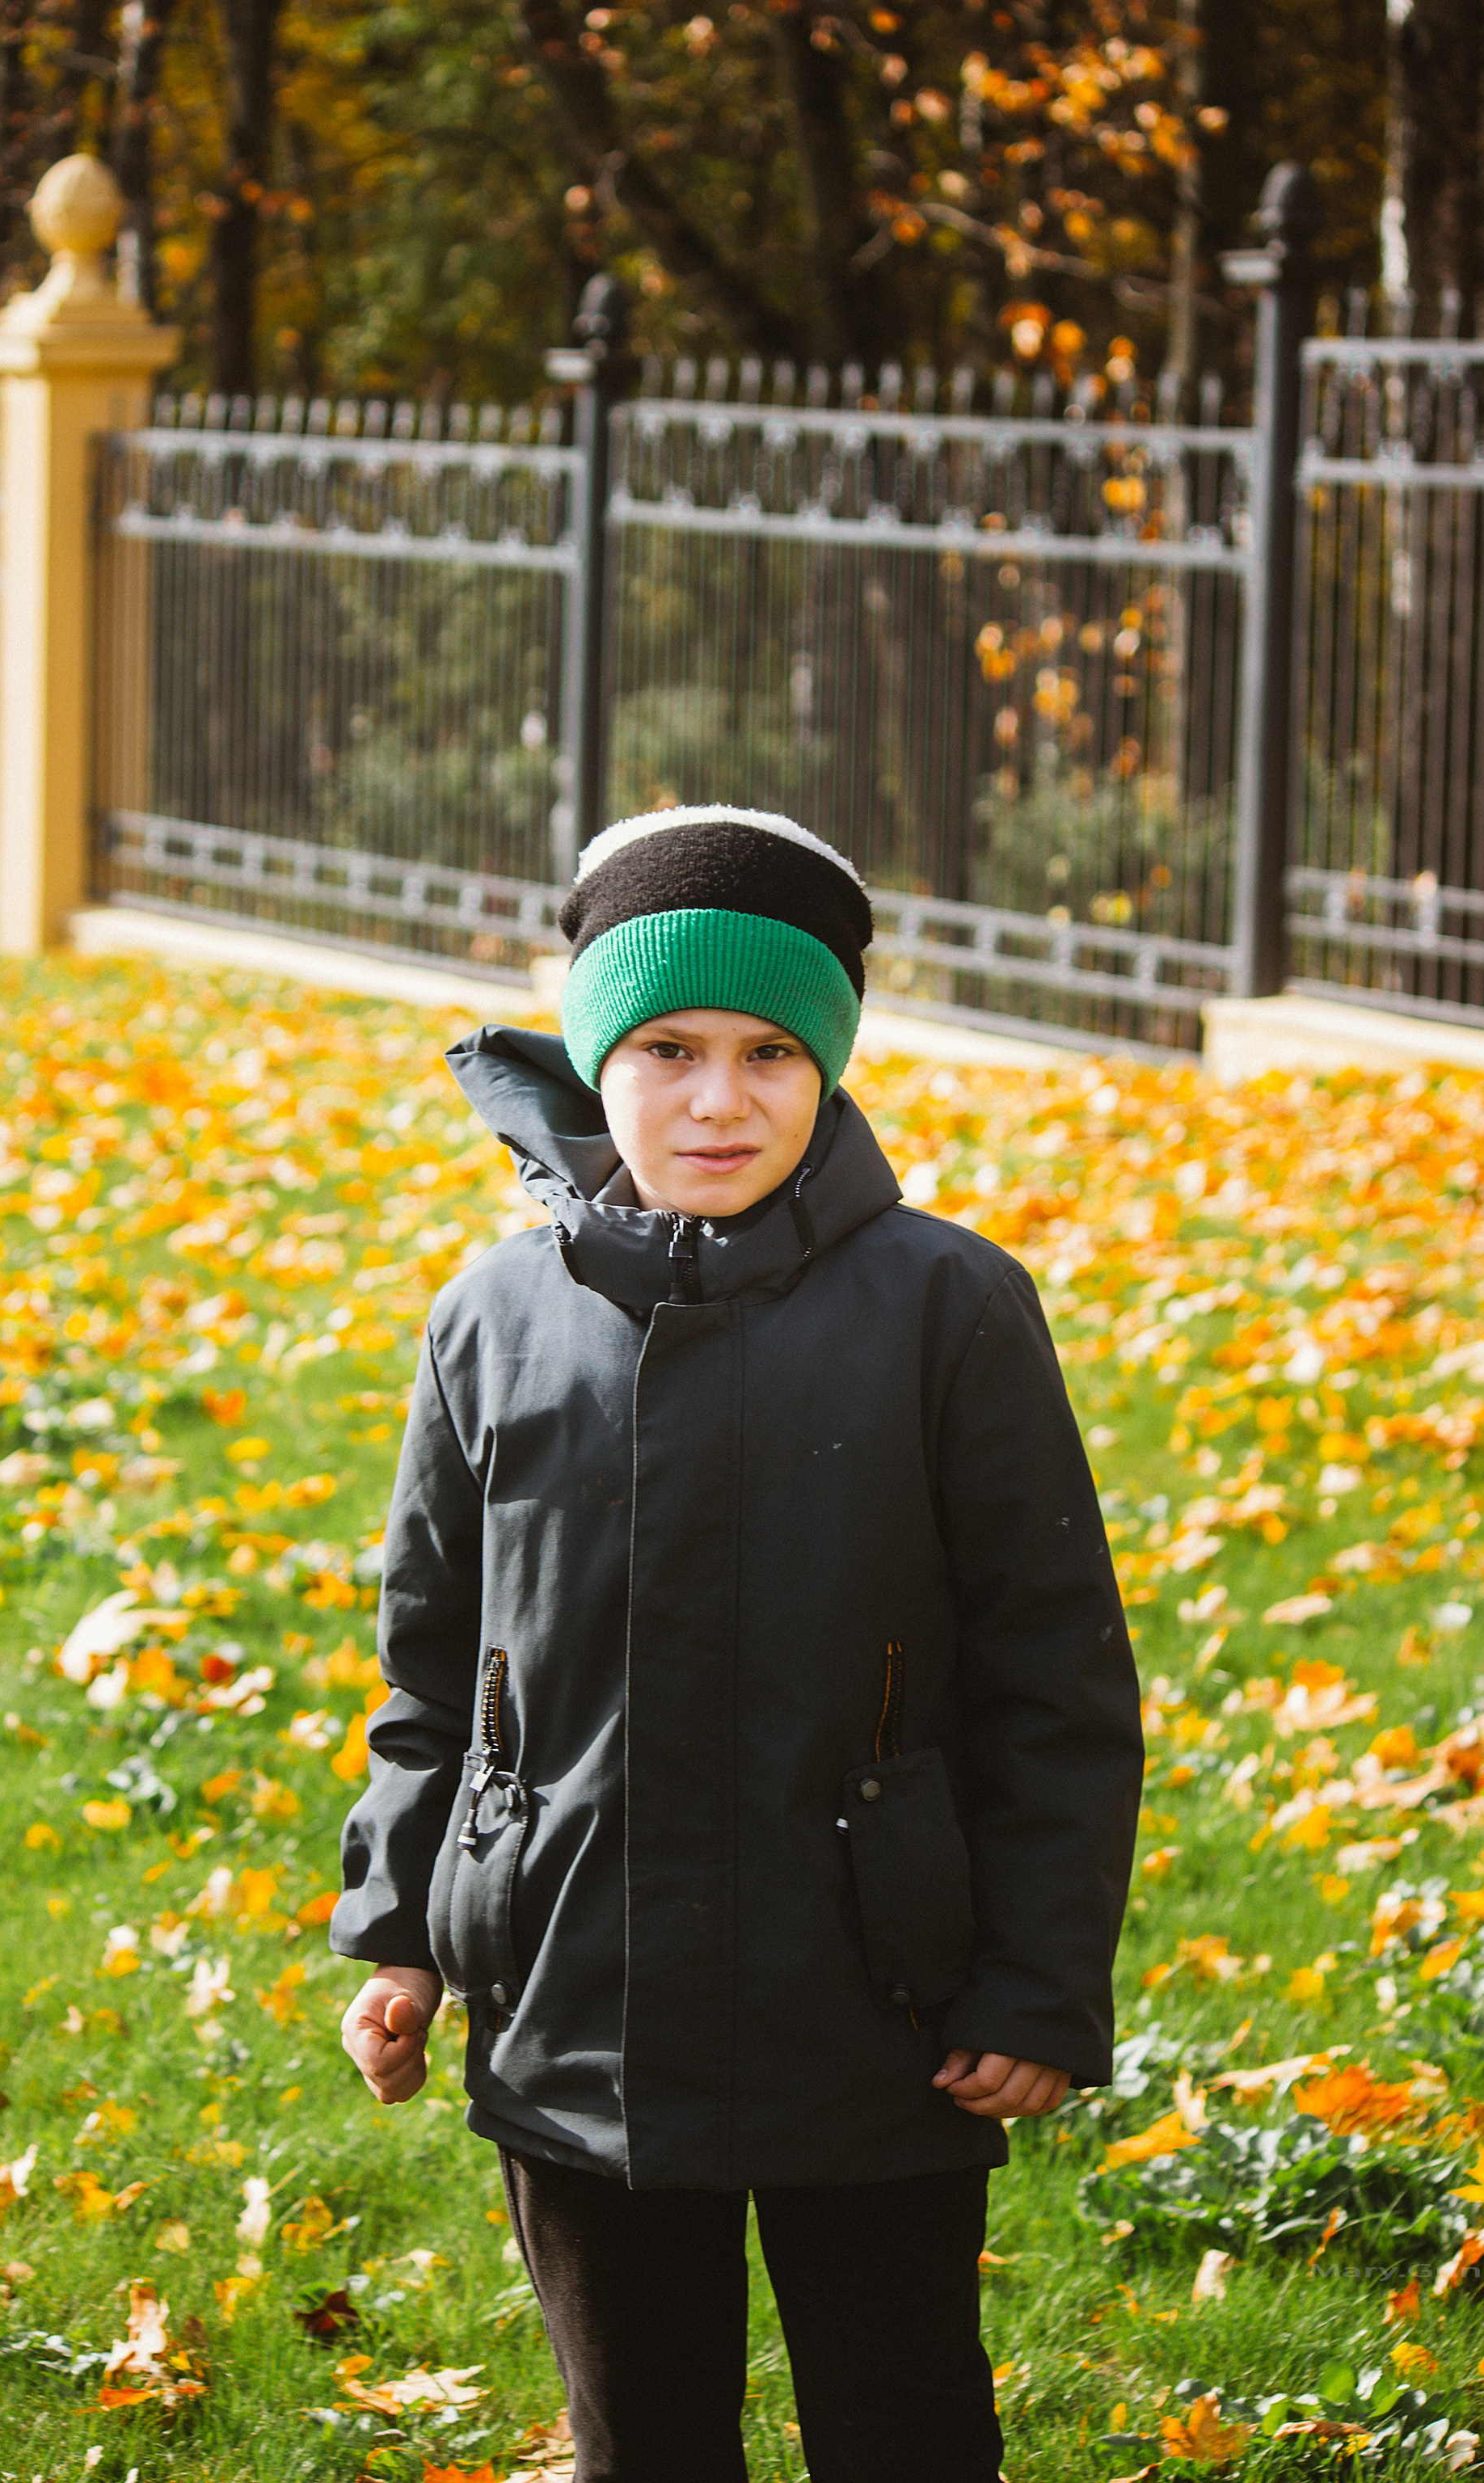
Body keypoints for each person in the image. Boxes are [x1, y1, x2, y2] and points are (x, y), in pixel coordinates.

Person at [333, 803, 1144, 2483]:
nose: (718, 1100)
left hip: (879, 2002)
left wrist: (1039, 1982)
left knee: (902, 2420)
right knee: (640, 2437)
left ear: (834, 1066)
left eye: (774, 1051)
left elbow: (1055, 1680)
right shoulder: (490, 1316)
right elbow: (433, 1663)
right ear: (594, 1053)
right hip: (570, 2000)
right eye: (667, 1047)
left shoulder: (947, 1310)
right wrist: (406, 1923)